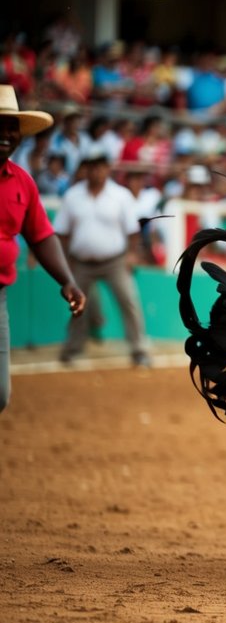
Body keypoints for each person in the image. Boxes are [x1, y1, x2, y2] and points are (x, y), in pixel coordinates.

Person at [0, 84, 86, 412]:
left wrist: (67, 281)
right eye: (0, 126)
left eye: (13, 128)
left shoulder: (22, 181)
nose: (7, 135)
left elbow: (41, 235)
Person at [53, 143, 149, 367]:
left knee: (129, 302)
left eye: (100, 166)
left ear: (108, 168)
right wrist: (65, 262)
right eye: (92, 166)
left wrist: (131, 255)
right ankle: (73, 348)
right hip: (80, 262)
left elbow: (133, 231)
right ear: (86, 168)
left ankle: (139, 349)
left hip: (114, 261)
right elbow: (63, 233)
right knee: (77, 305)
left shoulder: (120, 195)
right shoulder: (72, 195)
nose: (96, 171)